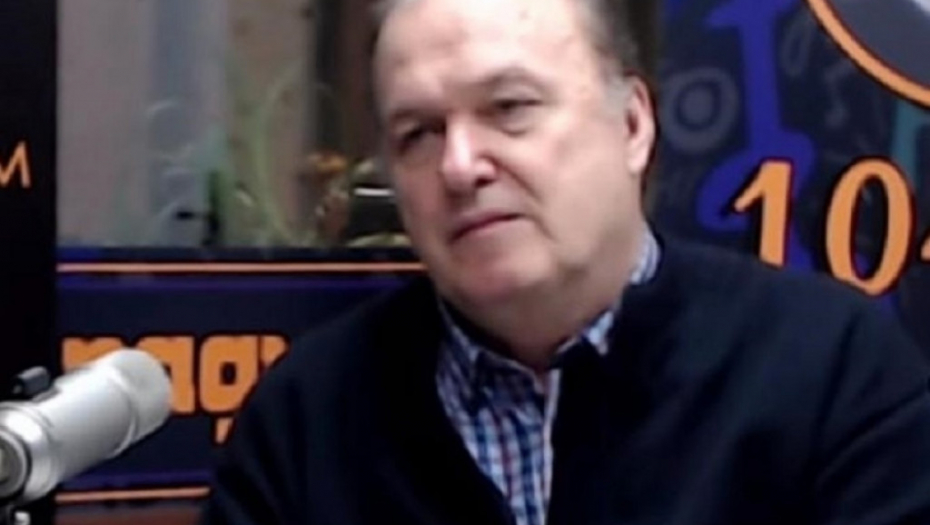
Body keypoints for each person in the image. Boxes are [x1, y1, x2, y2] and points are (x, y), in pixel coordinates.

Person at [199, 0, 930, 523]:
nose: (459, 165)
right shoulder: (305, 424)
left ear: (633, 125)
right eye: (418, 133)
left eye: (509, 107)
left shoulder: (835, 375)